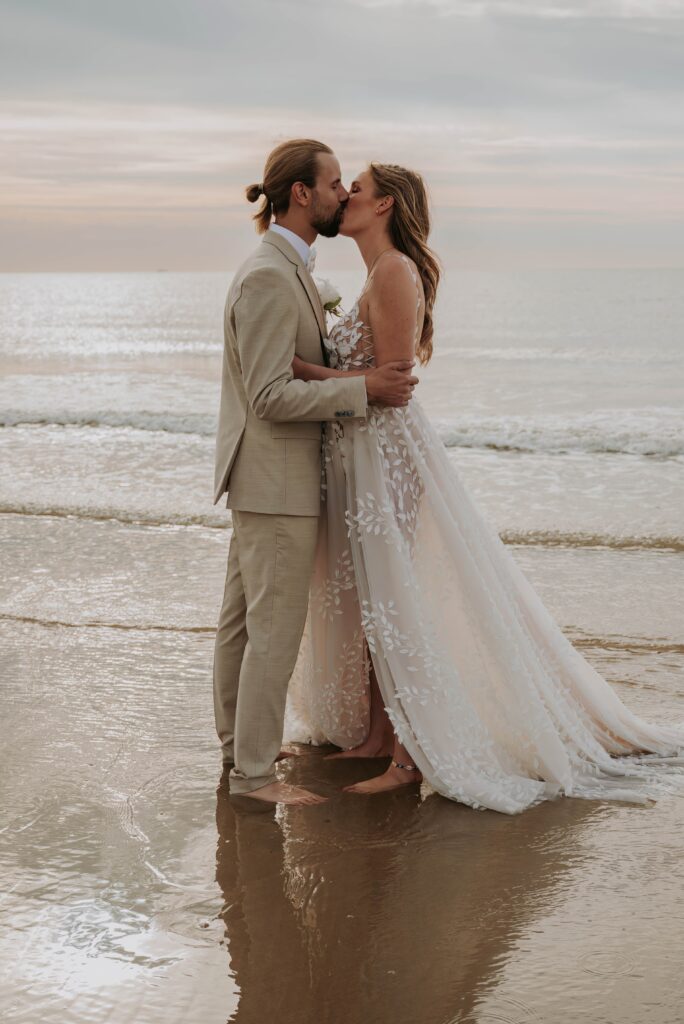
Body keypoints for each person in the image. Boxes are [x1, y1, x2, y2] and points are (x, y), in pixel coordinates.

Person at [285, 161, 684, 813]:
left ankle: (409, 759)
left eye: (357, 188)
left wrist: (305, 371)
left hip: (385, 455)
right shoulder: (379, 272)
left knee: (396, 602)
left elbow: (392, 382)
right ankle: (378, 737)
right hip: (361, 454)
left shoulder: (394, 271)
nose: (345, 196)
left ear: (384, 205)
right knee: (373, 602)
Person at [213, 140, 418, 806]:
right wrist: (362, 389)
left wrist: (340, 377)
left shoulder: (287, 267)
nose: (342, 194)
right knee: (270, 629)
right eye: (333, 184)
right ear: (301, 193)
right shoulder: (271, 275)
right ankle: (252, 777)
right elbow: (269, 395)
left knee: (245, 624)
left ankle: (240, 750)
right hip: (276, 479)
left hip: (265, 478)